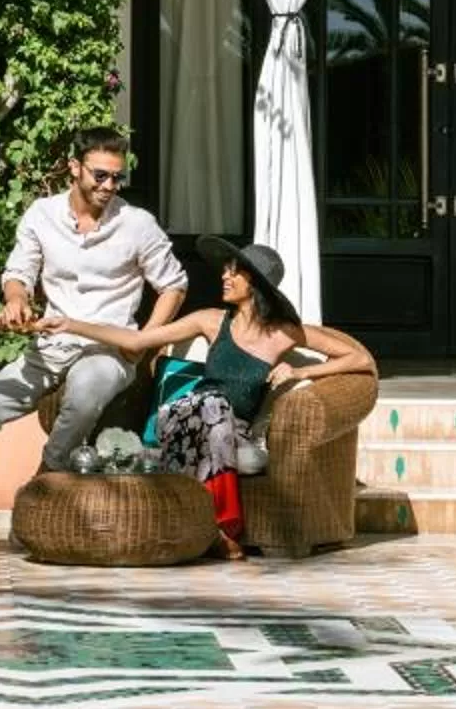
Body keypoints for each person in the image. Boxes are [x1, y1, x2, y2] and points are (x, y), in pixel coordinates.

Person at [0, 126, 187, 551]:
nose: (109, 186)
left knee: (87, 386)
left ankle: (40, 487)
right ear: (74, 168)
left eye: (116, 178)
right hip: (50, 345)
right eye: (100, 175)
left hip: (108, 349)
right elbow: (18, 273)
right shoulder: (42, 215)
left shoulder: (137, 224)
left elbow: (174, 285)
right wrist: (15, 300)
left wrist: (145, 342)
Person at [42, 237, 372, 558]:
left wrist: (300, 373)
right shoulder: (211, 321)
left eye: (234, 272)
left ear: (255, 284)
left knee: (217, 409)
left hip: (232, 429)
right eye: (225, 269)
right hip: (184, 417)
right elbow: (137, 340)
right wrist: (73, 325)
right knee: (209, 404)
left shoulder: (283, 333)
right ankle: (222, 526)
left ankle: (201, 525)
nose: (224, 277)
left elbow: (360, 359)